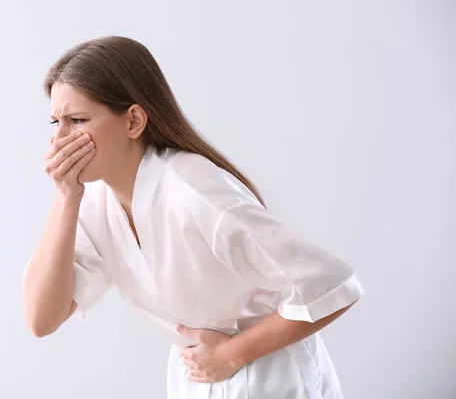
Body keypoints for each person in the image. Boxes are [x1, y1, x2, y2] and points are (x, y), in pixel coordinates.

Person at [22, 35, 365, 399]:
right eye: (54, 122)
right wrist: (68, 197)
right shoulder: (98, 200)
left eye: (76, 120)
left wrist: (233, 354)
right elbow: (41, 319)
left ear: (133, 121)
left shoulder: (195, 192)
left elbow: (334, 286)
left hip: (270, 378)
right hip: (198, 378)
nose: (59, 139)